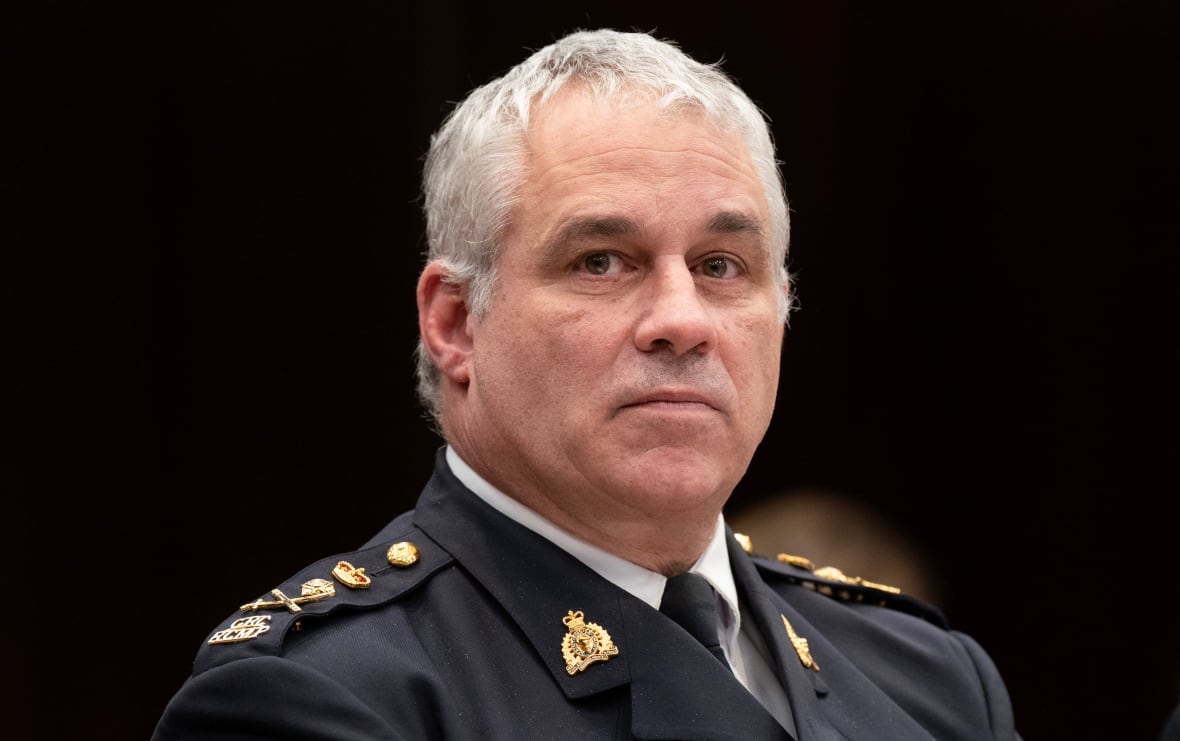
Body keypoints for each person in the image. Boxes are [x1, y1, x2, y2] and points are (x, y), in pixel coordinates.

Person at [152, 28, 1021, 740]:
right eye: (601, 261)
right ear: (455, 322)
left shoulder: (932, 682)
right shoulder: (325, 701)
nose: (682, 319)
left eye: (723, 264)